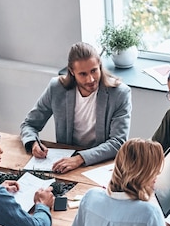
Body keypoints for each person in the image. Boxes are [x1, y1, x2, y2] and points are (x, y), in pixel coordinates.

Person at [20, 42, 131, 174]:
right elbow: (29, 124)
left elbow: (118, 142)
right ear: (72, 72)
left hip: (101, 164)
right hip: (65, 164)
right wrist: (33, 143)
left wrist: (80, 159)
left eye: (94, 71)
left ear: (100, 66)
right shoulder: (56, 88)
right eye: (83, 74)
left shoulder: (119, 93)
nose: (90, 79)